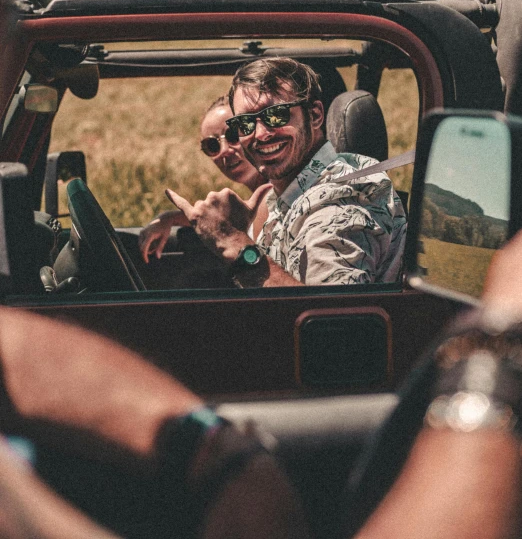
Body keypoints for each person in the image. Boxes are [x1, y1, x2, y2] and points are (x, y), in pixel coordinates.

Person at [0, 230, 522, 539]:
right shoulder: (275, 200)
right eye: (226, 133)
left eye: (270, 118)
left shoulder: (334, 199)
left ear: (314, 115)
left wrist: (211, 446)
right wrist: (497, 352)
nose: (243, 140)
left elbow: (326, 300)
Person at [166, 58, 407, 288]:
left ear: (314, 115)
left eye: (276, 115)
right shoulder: (293, 191)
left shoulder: (341, 199)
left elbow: (332, 320)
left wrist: (233, 241)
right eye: (245, 124)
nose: (261, 134)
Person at [139, 95, 267, 263]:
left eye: (234, 135)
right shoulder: (265, 197)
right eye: (212, 145)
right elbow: (227, 220)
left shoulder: (273, 195)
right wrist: (170, 217)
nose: (224, 150)